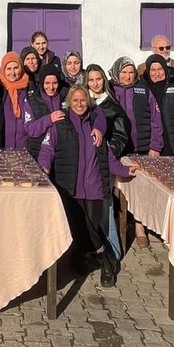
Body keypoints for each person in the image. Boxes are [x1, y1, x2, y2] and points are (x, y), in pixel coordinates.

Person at [38, 85, 136, 288]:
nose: (79, 104)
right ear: (69, 102)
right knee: (78, 228)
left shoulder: (96, 130)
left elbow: (109, 158)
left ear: (88, 102)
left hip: (94, 189)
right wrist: (44, 167)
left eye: (83, 100)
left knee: (92, 228)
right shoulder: (60, 126)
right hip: (69, 188)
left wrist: (125, 170)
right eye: (75, 100)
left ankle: (103, 259)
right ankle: (100, 260)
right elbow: (47, 150)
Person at [108, 56, 163, 248]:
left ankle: (140, 227)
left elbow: (156, 119)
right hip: (117, 150)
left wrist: (155, 146)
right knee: (117, 190)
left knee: (142, 190)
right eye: (124, 72)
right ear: (117, 72)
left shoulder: (143, 91)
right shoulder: (110, 90)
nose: (127, 76)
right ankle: (116, 228)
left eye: (131, 72)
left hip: (141, 149)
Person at [87, 64, 129, 262]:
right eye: (91, 80)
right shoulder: (82, 102)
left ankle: (112, 251)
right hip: (85, 163)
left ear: (104, 80)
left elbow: (121, 135)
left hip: (105, 162)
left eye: (99, 79)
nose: (95, 83)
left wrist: (109, 150)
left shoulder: (112, 106)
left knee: (106, 205)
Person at [0, 52, 53, 157]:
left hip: (26, 149)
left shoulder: (29, 89)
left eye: (16, 68)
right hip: (3, 149)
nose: (13, 72)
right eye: (8, 69)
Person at [141, 54, 174, 155]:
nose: (157, 73)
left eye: (160, 69)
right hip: (153, 146)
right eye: (153, 70)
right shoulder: (143, 87)